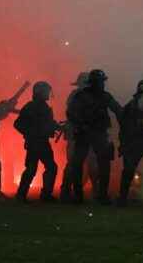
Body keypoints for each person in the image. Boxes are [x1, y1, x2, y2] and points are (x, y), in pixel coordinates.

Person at [66, 69, 122, 205]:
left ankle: (99, 194)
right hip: (87, 133)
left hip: (96, 133)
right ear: (94, 83)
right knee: (79, 164)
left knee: (101, 164)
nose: (102, 84)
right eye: (100, 82)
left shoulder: (101, 96)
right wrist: (81, 125)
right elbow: (71, 113)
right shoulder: (82, 96)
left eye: (102, 82)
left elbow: (118, 110)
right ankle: (81, 195)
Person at [14, 82, 60, 203]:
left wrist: (55, 126)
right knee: (37, 168)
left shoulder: (40, 107)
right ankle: (31, 195)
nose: (48, 94)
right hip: (36, 143)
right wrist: (31, 133)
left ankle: (23, 195)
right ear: (40, 92)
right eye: (46, 91)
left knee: (42, 168)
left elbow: (47, 124)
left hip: (41, 142)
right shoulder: (31, 107)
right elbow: (18, 124)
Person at [59, 72, 97, 202]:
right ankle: (67, 191)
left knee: (89, 163)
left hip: (84, 134)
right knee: (76, 164)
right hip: (77, 135)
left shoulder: (84, 96)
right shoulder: (76, 96)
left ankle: (92, 191)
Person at [116, 80, 143, 206]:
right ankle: (123, 198)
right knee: (129, 171)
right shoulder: (131, 106)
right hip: (134, 142)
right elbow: (123, 126)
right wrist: (124, 143)